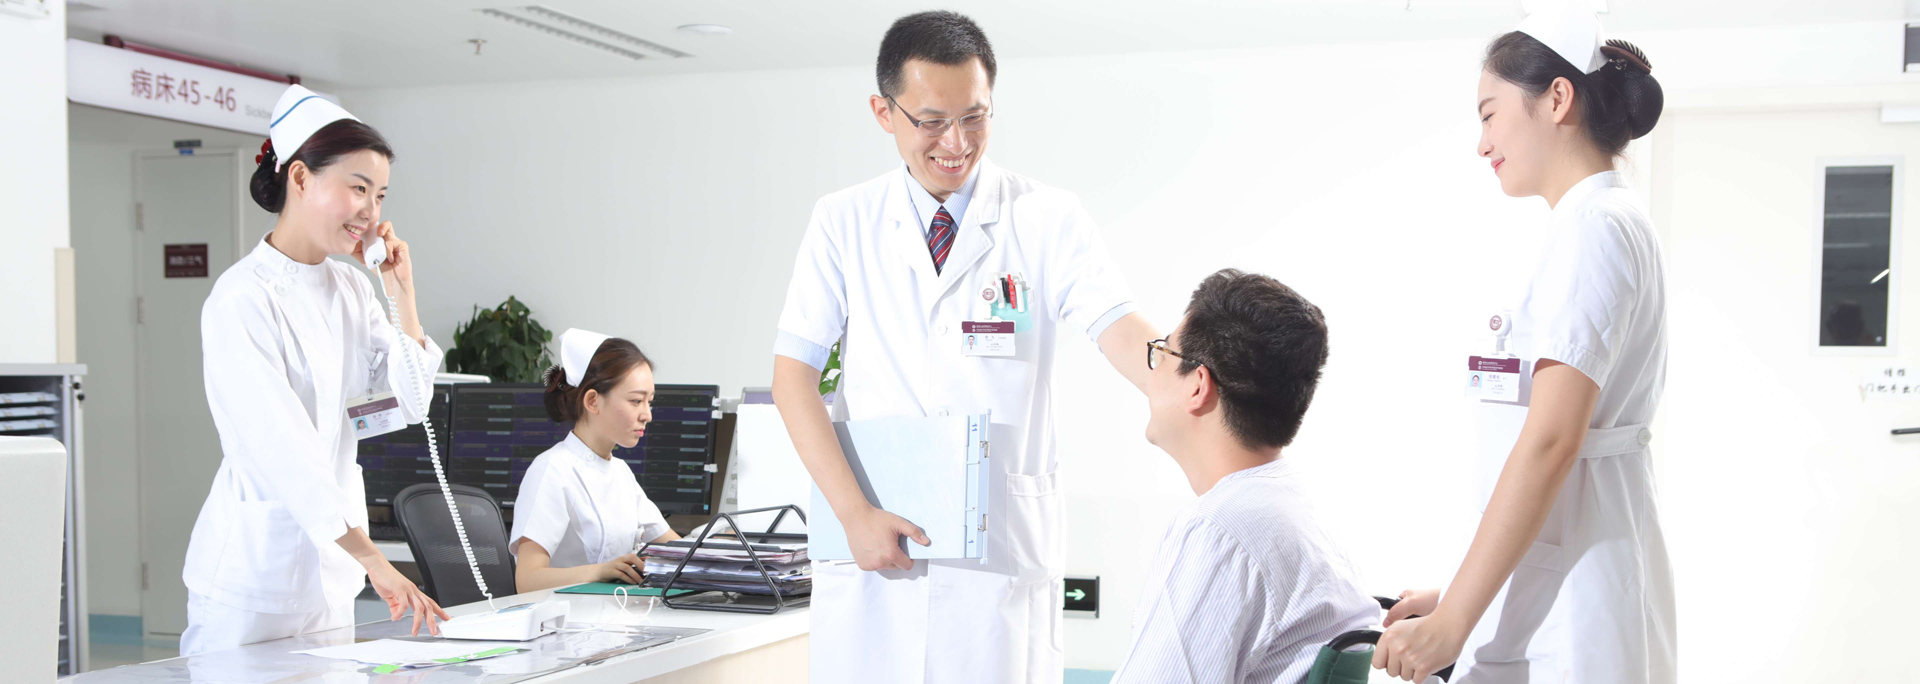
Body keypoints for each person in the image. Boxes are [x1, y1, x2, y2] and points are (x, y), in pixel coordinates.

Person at [770, 10, 1160, 683]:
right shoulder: (843, 221)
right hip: (875, 550)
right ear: (884, 112)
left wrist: (1192, 378)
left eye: (975, 117)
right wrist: (853, 514)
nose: (956, 142)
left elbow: (1120, 329)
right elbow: (792, 376)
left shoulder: (1046, 217)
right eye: (931, 121)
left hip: (997, 556)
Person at [1374, 5, 1673, 682]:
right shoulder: (1606, 220)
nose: (1482, 144)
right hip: (1570, 572)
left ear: (1558, 98)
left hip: (1575, 601)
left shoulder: (1595, 228)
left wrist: (1453, 623)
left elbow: (1550, 441)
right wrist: (1456, 595)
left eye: (1489, 115)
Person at [182, 85, 447, 655]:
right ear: (300, 178)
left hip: (332, 575)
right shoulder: (242, 298)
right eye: (358, 188)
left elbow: (411, 402)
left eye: (380, 195)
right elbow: (283, 448)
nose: (371, 212)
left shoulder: (351, 287)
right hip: (254, 580)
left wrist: (401, 293)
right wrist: (374, 559)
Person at [1111, 269, 1377, 684]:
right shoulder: (1290, 504)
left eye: (1162, 352)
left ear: (1198, 386)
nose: (1152, 369)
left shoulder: (1220, 531)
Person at [509, 329, 683, 592]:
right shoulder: (552, 470)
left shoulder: (620, 472)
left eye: (650, 402)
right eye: (636, 401)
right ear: (592, 401)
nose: (647, 415)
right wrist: (599, 572)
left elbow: (676, 547)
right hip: (566, 615)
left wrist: (724, 546)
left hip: (614, 610)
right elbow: (527, 580)